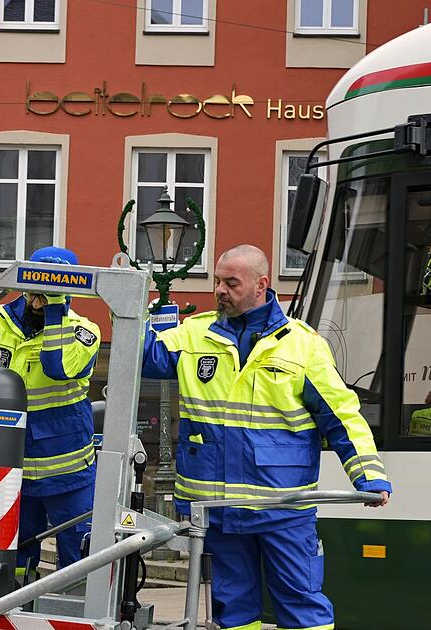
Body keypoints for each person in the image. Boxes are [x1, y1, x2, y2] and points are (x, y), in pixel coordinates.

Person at [142, 244, 391, 630]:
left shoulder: (303, 345)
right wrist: (133, 307)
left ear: (261, 285)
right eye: (217, 281)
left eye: (231, 283)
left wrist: (369, 476)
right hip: (217, 509)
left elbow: (342, 417)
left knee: (301, 605)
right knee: (232, 611)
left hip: (282, 507)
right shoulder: (193, 335)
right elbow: (140, 357)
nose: (220, 290)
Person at [0, 246, 100, 577]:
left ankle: (71, 607)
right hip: (9, 471)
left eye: (49, 294)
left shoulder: (83, 331)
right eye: (35, 292)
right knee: (12, 558)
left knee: (79, 557)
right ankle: (14, 604)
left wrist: (55, 311)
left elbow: (57, 367)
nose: (39, 302)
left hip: (68, 472)